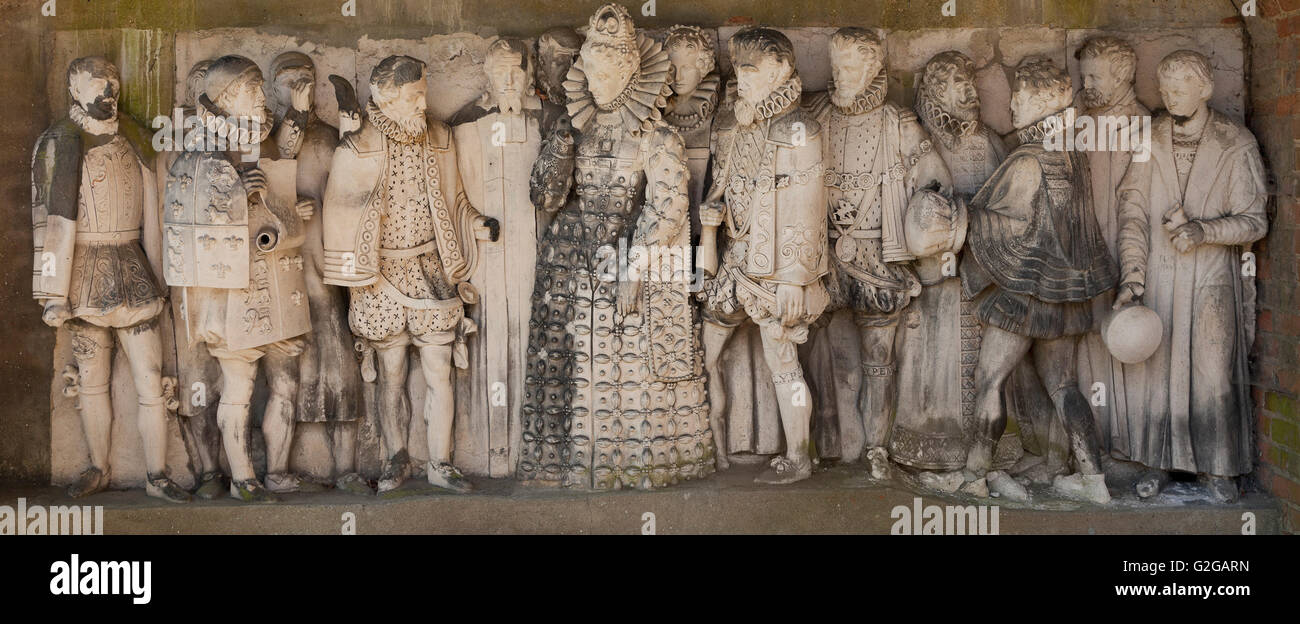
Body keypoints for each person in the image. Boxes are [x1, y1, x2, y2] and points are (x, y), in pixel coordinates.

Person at [323, 55, 498, 493]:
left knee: (440, 369)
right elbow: (337, 213)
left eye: (424, 94)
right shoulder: (354, 147)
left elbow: (455, 198)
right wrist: (355, 273)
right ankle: (394, 458)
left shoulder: (439, 136)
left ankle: (441, 462)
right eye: (415, 97)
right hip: (379, 275)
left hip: (431, 269)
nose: (423, 104)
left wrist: (475, 223)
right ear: (386, 98)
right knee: (392, 372)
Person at [1112, 50, 1268, 503]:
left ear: (1205, 88)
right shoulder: (1150, 137)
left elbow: (1255, 220)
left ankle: (1219, 468)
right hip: (1159, 275)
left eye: (1180, 87)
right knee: (1158, 370)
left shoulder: (1234, 142)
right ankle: (1159, 462)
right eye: (1164, 88)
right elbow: (1132, 212)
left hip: (1211, 276)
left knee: (1213, 370)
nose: (1170, 96)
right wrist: (1133, 275)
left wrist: (1205, 230)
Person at [960, 58, 1117, 503]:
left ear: (1048, 101)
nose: (1013, 103)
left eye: (1024, 95)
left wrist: (961, 211)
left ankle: (974, 476)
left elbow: (998, 224)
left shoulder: (1028, 159)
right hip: (1066, 292)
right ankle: (1093, 481)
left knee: (989, 379)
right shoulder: (1074, 156)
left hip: (1023, 292)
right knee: (1064, 385)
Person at [33, 56, 189, 503]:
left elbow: (157, 209)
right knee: (91, 380)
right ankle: (98, 467)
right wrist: (52, 292)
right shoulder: (61, 141)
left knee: (151, 377)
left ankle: (157, 474)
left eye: (112, 85)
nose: (107, 92)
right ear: (75, 92)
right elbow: (52, 221)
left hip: (134, 266)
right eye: (97, 86)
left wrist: (164, 272)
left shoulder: (136, 137)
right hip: (82, 272)